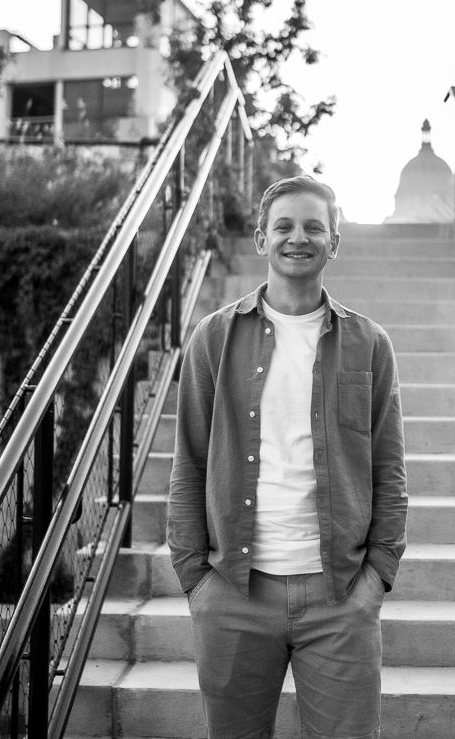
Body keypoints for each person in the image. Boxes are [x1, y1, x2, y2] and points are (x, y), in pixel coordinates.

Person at [167, 175, 408, 739]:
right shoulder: (213, 338)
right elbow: (190, 464)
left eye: (313, 227)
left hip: (340, 597)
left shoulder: (369, 344)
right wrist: (195, 577)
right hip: (233, 593)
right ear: (261, 239)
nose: (298, 238)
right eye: (284, 226)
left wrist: (376, 577)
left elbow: (389, 471)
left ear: (334, 242)